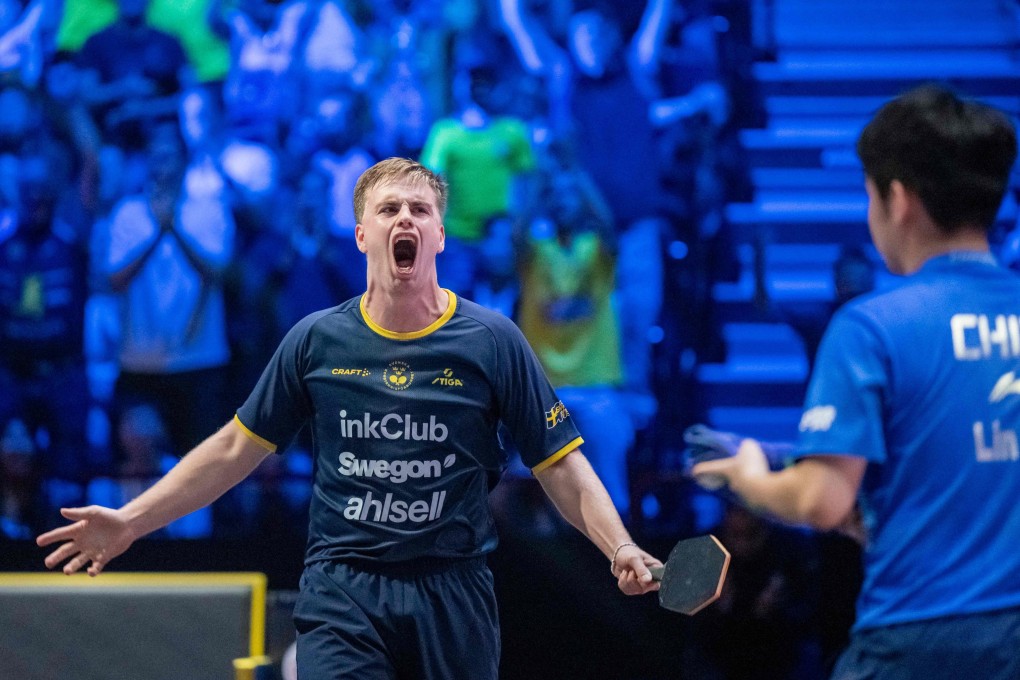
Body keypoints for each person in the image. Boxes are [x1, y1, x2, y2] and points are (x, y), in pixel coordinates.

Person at [37, 157, 660, 679]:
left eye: (420, 210)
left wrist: (620, 545)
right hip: (344, 590)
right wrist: (130, 520)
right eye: (389, 209)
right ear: (362, 234)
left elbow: (560, 464)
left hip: (454, 591)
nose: (405, 219)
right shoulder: (316, 341)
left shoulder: (492, 341)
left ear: (441, 236)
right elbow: (232, 450)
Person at [690, 85, 1020, 679]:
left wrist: (750, 478)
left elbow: (820, 501)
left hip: (917, 641)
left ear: (899, 199)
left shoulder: (872, 327)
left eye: (869, 194)